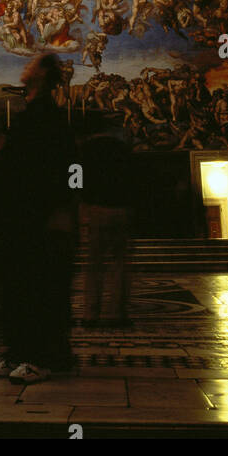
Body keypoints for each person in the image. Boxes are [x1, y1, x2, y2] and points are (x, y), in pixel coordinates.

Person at [0, 55, 77, 383]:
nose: (25, 67)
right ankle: (19, 351)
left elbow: (60, 165)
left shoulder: (49, 117)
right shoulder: (32, 112)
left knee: (41, 288)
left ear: (42, 75)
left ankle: (45, 357)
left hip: (38, 217)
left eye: (33, 64)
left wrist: (62, 209)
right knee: (19, 286)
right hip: (20, 216)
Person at [78, 122, 134, 328]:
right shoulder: (124, 150)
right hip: (122, 208)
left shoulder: (84, 150)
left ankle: (90, 313)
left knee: (94, 264)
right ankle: (117, 313)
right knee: (120, 263)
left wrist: (80, 200)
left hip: (95, 208)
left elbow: (74, 177)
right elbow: (134, 178)